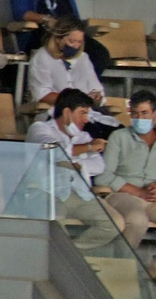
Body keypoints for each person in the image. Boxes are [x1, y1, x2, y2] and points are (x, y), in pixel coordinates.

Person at [27, 89, 121, 251]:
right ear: (67, 112)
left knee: (114, 224)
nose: (86, 119)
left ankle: (73, 253)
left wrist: (75, 161)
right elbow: (54, 151)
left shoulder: (83, 137)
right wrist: (88, 148)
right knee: (55, 225)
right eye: (82, 113)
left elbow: (99, 165)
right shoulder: (40, 128)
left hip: (80, 195)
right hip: (46, 193)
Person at [96, 89, 156, 245]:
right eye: (135, 114)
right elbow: (103, 176)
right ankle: (123, 266)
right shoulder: (118, 137)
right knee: (137, 221)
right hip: (123, 195)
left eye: (144, 113)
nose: (139, 118)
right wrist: (138, 192)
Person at [26, 18, 118, 137]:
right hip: (57, 114)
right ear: (58, 38)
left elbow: (96, 89)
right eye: (72, 41)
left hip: (86, 113)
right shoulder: (42, 57)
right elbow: (42, 94)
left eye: (79, 42)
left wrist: (96, 97)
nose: (76, 46)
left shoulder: (83, 58)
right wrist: (75, 100)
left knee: (116, 131)